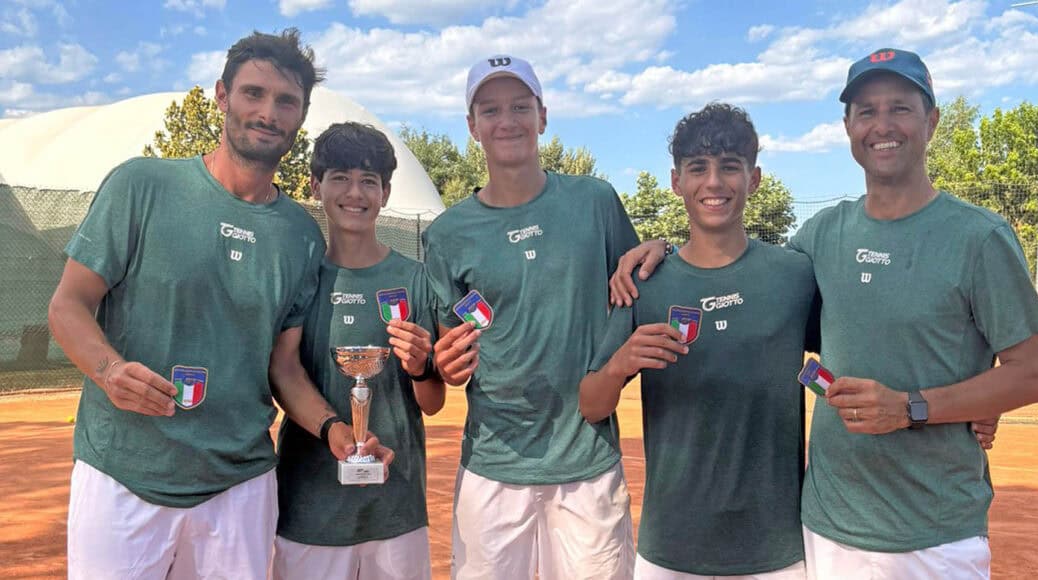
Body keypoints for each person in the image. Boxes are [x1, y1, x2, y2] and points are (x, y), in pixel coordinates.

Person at [609, 48, 1038, 579]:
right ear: (848, 125)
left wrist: (918, 406)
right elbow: (738, 274)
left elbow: (1031, 374)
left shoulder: (979, 237)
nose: (882, 125)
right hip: (826, 532)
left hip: (935, 535)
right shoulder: (820, 239)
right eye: (866, 111)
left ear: (931, 120)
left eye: (900, 108)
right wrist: (662, 247)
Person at [49, 29, 388, 579]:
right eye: (253, 93)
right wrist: (110, 371)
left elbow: (283, 366)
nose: (268, 112)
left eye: (286, 102)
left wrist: (333, 428)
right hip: (123, 476)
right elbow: (68, 306)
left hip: (240, 486)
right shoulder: (142, 185)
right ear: (222, 96)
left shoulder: (301, 234)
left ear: (300, 115)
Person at [422, 55, 639, 579]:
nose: (508, 120)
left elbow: (637, 290)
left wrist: (660, 248)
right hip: (494, 465)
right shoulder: (448, 234)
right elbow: (452, 354)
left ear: (542, 116)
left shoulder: (595, 202)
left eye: (520, 106)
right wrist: (447, 364)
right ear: (472, 127)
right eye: (490, 109)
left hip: (587, 463)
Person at [580, 102, 814, 580]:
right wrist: (622, 362)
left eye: (730, 167)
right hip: (671, 551)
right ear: (676, 181)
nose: (714, 183)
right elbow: (590, 404)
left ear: (755, 178)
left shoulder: (795, 275)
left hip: (777, 551)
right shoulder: (644, 280)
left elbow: (860, 344)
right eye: (698, 168)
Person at [269, 122, 443, 579]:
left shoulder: (415, 278)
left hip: (395, 508)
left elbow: (432, 401)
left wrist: (422, 368)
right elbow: (282, 373)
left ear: (385, 192)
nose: (355, 193)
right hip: (310, 509)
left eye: (369, 181)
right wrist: (333, 428)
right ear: (315, 185)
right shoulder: (298, 277)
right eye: (340, 177)